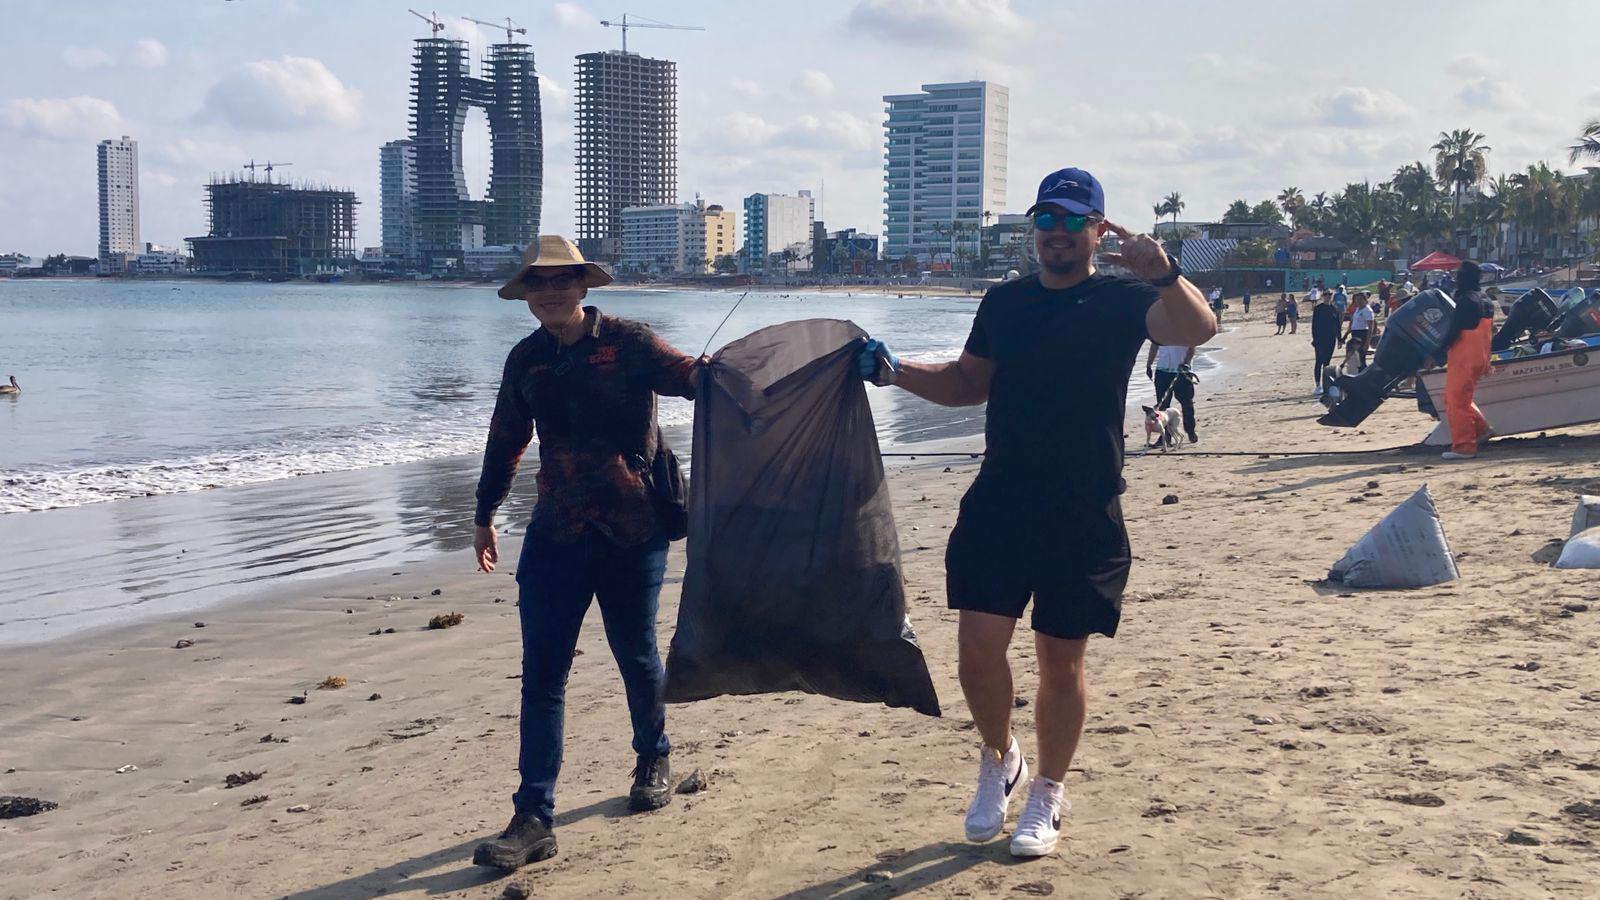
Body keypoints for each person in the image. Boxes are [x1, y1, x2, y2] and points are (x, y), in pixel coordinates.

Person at [856, 167, 1215, 858]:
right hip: (1002, 499)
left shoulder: (1127, 298)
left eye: (1073, 220)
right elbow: (968, 383)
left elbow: (1198, 326)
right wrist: (894, 371)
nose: (1057, 232)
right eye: (1046, 219)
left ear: (1098, 230)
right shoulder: (1006, 302)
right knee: (977, 649)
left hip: (1084, 508)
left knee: (1061, 661)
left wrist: (1165, 272)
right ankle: (1000, 757)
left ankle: (1048, 791)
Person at [470, 235, 698, 871]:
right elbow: (505, 440)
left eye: (561, 280)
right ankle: (533, 816)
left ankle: (653, 757)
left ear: (582, 285)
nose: (550, 292)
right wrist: (485, 515)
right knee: (543, 674)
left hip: (633, 530)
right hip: (556, 533)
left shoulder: (629, 341)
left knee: (637, 655)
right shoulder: (526, 360)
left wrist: (764, 374)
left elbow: (693, 378)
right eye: (538, 283)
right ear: (526, 294)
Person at [1440, 261, 1495, 460]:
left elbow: (1454, 331)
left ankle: (1464, 446)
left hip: (1464, 357)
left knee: (1456, 400)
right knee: (1456, 398)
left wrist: (1437, 354)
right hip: (1480, 356)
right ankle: (1482, 429)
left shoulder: (1466, 301)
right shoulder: (1485, 299)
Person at [1146, 342, 1200, 444]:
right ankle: (1165, 436)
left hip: (1182, 371)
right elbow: (1154, 346)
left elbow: (1192, 346)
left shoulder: (1184, 332)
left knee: (1187, 404)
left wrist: (1186, 362)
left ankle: (1190, 431)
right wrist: (1149, 364)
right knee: (1162, 406)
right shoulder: (1159, 333)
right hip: (1162, 370)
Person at [1310, 290, 1341, 395]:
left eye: (1330, 294)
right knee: (1319, 361)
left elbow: (1337, 325)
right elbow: (1314, 325)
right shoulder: (1318, 308)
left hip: (1331, 339)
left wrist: (1339, 339)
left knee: (1327, 363)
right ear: (1323, 296)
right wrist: (1315, 339)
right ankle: (1317, 385)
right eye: (1326, 294)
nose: (1328, 296)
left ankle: (1325, 385)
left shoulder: (1334, 309)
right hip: (1320, 339)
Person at [1344, 292, 1375, 373]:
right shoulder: (1358, 309)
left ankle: (1364, 375)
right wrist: (1346, 335)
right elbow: (1353, 324)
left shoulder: (1367, 310)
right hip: (1355, 334)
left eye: (1360, 299)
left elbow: (1370, 327)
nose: (1358, 301)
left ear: (1365, 300)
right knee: (1356, 358)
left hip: (1362, 334)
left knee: (1361, 358)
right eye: (1357, 300)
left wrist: (1367, 342)